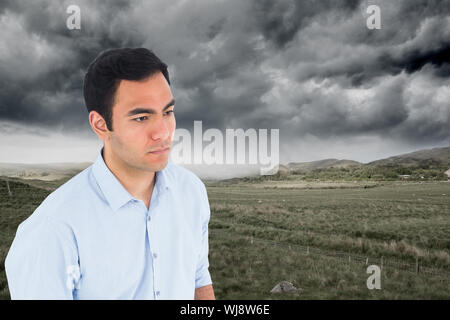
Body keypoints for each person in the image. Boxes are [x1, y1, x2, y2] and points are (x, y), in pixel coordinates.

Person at [5, 48, 215, 300]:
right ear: (100, 125)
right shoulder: (53, 230)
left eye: (167, 112)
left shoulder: (191, 190)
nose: (163, 132)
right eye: (141, 117)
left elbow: (198, 278)